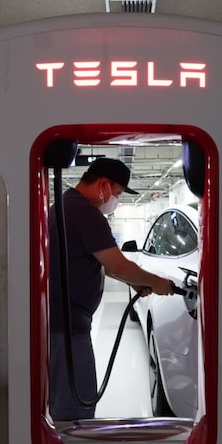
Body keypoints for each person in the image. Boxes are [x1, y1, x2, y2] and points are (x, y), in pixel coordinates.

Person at [48, 157, 176, 421]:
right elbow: (116, 264)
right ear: (103, 185)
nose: (115, 201)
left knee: (67, 396)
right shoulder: (84, 212)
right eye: (117, 194)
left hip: (63, 320)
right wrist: (158, 282)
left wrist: (135, 282)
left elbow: (102, 265)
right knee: (75, 404)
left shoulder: (66, 204)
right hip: (69, 325)